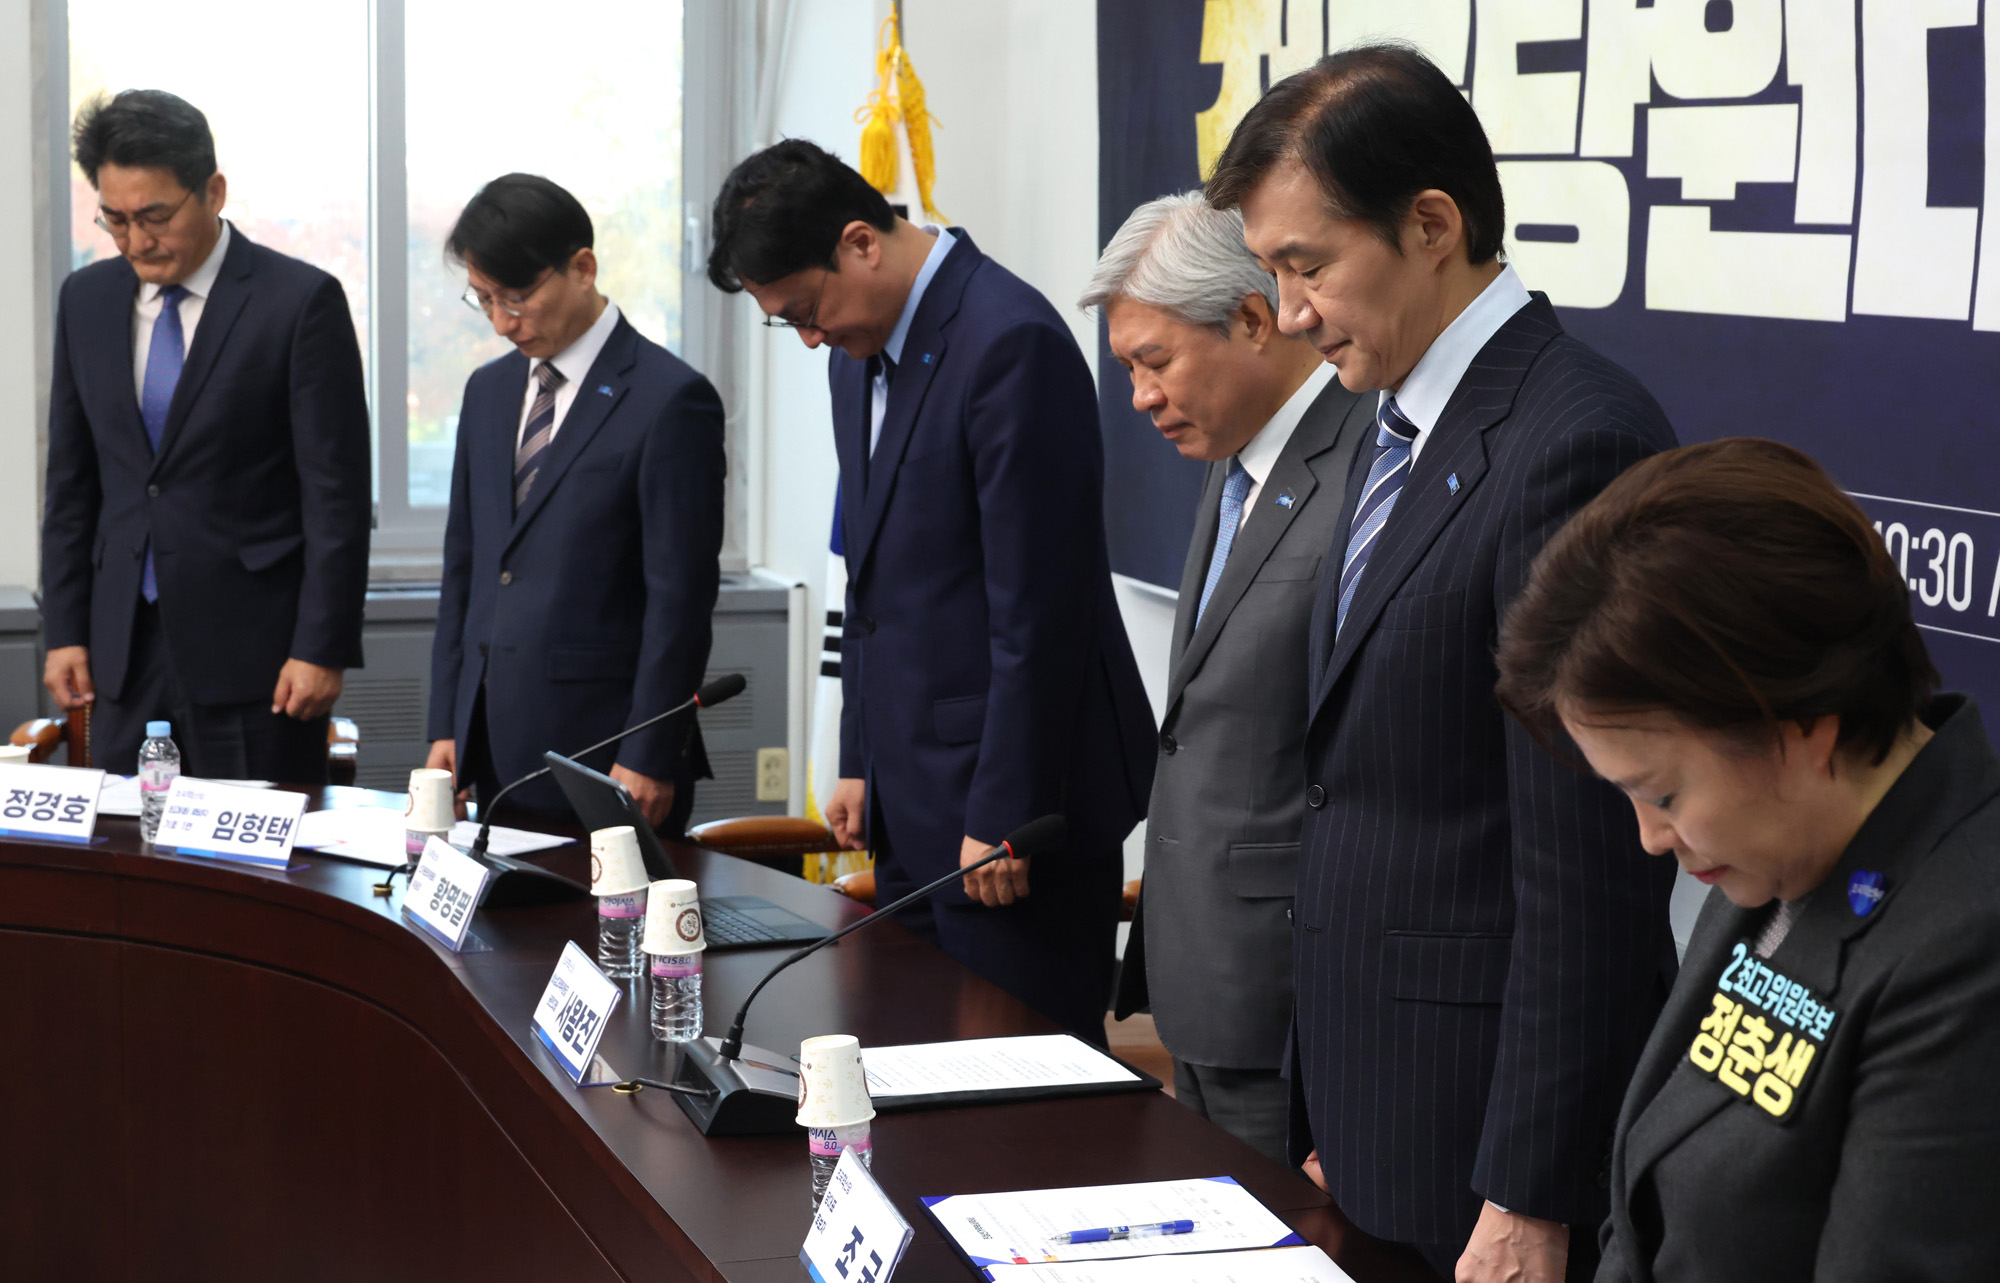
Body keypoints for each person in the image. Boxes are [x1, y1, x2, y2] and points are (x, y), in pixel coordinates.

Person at [1206, 46, 1679, 1281]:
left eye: (1308, 267)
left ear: (1429, 224)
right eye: (1273, 272)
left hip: (1486, 1147)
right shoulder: (1389, 416)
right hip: (1375, 1114)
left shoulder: (1570, 438)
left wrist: (1529, 1188)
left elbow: (1585, 876)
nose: (1292, 313)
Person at [1495, 438, 2000, 1281]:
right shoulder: (1781, 848)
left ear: (1799, 726)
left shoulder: (1967, 948)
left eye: (1662, 794)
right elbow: (1651, 1209)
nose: (1653, 837)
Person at [708, 139, 1156, 1041]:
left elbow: (1042, 609)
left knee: (1015, 1092)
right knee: (908, 1059)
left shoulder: (1008, 342)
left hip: (1012, 813)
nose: (808, 337)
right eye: (783, 322)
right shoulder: (855, 357)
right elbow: (870, 579)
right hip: (908, 799)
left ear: (861, 242)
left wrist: (1006, 812)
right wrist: (858, 751)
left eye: (806, 308)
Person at [1086, 192, 1369, 1159]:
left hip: (1288, 993)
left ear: (1254, 319)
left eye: (1154, 363)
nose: (1140, 398)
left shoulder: (1369, 465)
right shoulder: (1236, 455)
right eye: (1127, 370)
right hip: (1200, 973)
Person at [41, 90, 371, 780]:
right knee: (131, 868)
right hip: (122, 652)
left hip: (259, 660)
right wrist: (66, 630)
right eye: (116, 220)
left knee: (251, 876)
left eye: (155, 216)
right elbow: (73, 484)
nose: (136, 240)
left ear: (213, 191)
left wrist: (322, 646)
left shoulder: (298, 303)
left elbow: (335, 496)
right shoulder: (87, 301)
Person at [427, 175, 724, 833]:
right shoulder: (488, 392)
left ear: (582, 268)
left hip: (611, 757)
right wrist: (449, 722)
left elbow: (680, 598)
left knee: (606, 937)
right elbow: (467, 569)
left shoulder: (669, 399)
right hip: (494, 749)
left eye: (518, 295)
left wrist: (649, 751)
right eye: (484, 300)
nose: (504, 322)